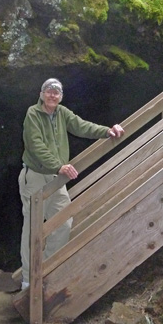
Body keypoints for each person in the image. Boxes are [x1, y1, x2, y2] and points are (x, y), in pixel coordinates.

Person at [18, 78, 124, 290]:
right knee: (33, 228)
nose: (52, 95)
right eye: (48, 91)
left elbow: (81, 126)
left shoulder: (63, 113)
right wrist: (59, 166)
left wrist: (107, 131)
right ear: (41, 94)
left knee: (64, 223)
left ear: (61, 96)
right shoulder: (33, 114)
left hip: (57, 179)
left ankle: (45, 270)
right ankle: (29, 281)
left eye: (56, 92)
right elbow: (35, 144)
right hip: (36, 176)